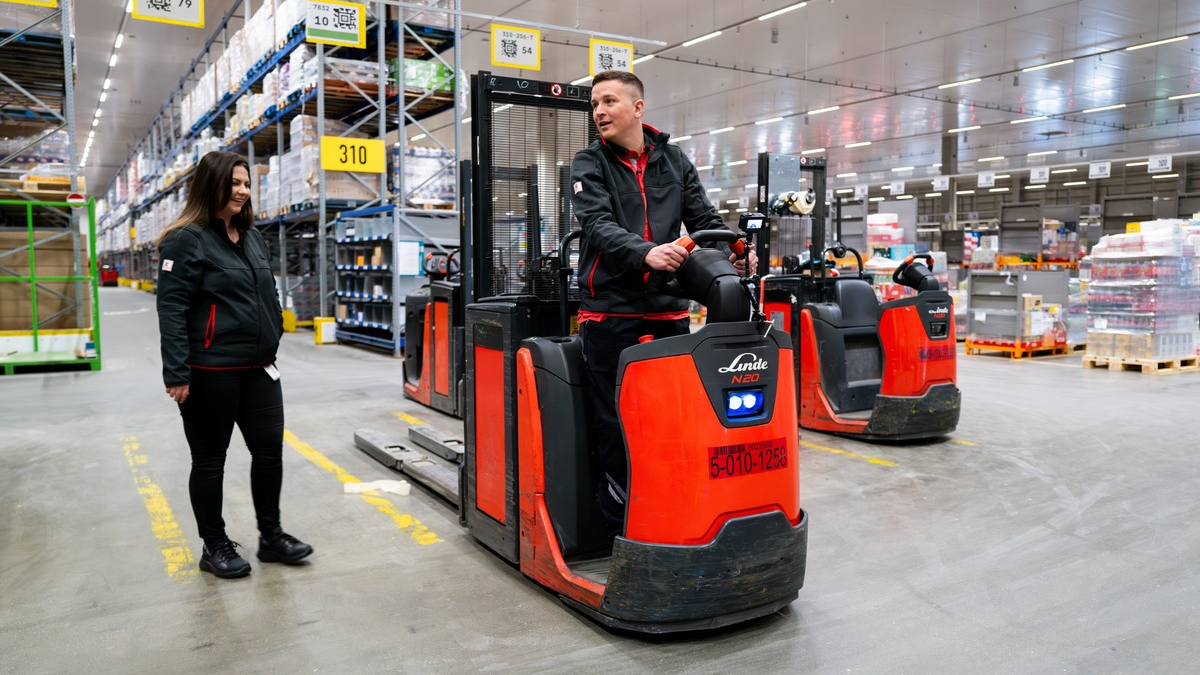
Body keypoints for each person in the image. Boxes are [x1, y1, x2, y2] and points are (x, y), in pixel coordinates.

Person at [569, 70, 758, 536]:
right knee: (616, 424)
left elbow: (703, 216)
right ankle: (623, 529)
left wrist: (737, 250)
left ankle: (672, 515)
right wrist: (645, 251)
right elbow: (595, 225)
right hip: (611, 313)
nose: (599, 111)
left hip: (668, 311)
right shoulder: (589, 163)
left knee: (672, 423)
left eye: (609, 101)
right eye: (595, 104)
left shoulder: (673, 160)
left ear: (637, 108)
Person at [156, 150, 312, 579]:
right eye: (235, 184)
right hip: (211, 372)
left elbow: (270, 291)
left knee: (269, 454)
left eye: (246, 184)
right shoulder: (185, 239)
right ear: (212, 186)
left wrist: (275, 330)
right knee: (210, 461)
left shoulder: (253, 236)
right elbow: (171, 308)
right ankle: (214, 545)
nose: (243, 191)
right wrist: (176, 372)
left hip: (260, 369)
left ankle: (271, 536)